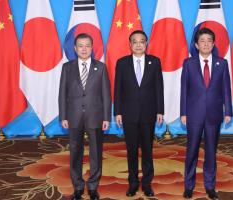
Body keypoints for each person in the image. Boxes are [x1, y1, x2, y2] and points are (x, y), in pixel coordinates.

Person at [180, 28, 232, 200]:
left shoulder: (222, 63)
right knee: (192, 151)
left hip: (214, 115)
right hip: (194, 114)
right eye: (202, 40)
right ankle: (189, 186)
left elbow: (226, 90)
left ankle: (210, 186)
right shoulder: (188, 63)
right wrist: (183, 112)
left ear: (213, 43)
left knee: (211, 152)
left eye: (209, 40)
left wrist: (228, 111)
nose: (206, 43)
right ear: (196, 44)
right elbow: (184, 90)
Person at [58, 33, 111, 200]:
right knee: (75, 152)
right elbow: (62, 94)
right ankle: (78, 187)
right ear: (75, 48)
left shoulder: (101, 67)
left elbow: (106, 95)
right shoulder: (67, 68)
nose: (84, 49)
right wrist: (63, 116)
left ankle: (93, 187)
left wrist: (106, 117)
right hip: (73, 116)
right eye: (80, 45)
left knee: (96, 152)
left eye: (87, 45)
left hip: (95, 116)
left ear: (92, 47)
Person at [114, 30, 164, 197]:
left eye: (141, 41)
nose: (138, 44)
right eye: (134, 41)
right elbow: (118, 89)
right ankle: (133, 183)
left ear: (146, 43)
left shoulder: (154, 62)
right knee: (132, 151)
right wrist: (118, 112)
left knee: (148, 151)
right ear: (130, 44)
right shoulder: (122, 63)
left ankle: (147, 184)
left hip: (149, 114)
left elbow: (159, 88)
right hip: (128, 114)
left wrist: (160, 110)